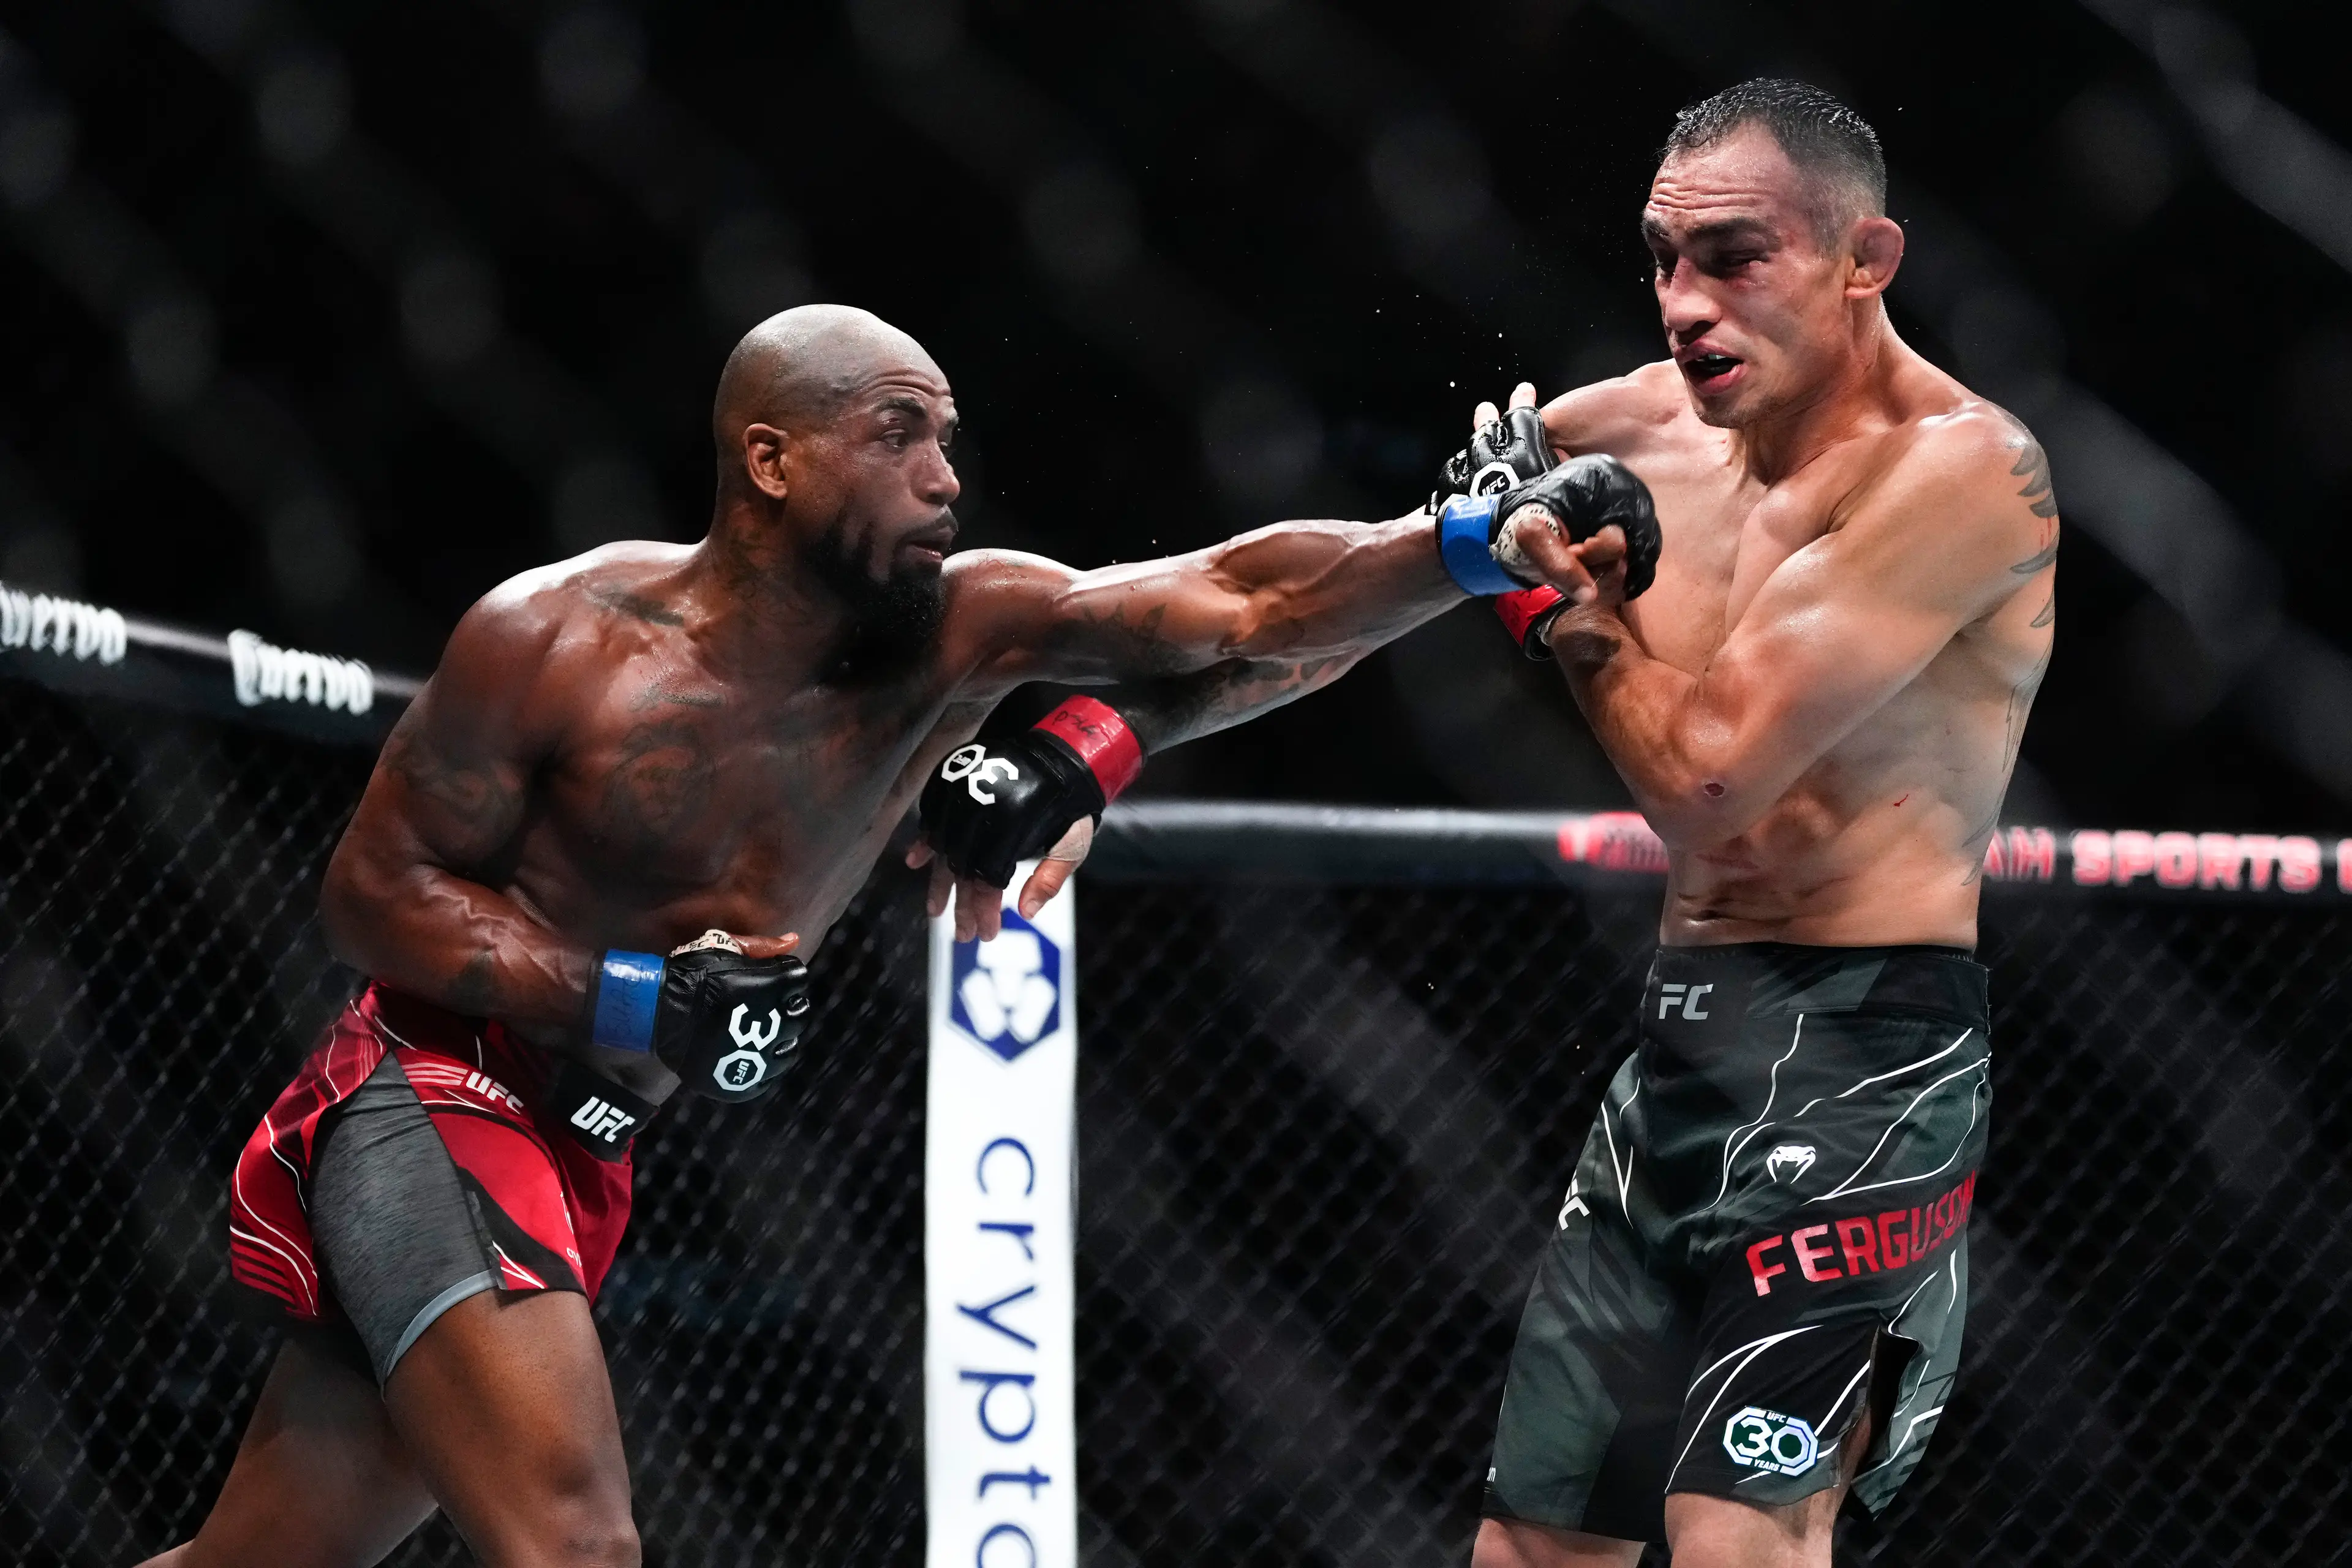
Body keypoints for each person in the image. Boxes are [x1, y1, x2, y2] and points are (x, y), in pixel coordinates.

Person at [150, 302, 1646, 1568]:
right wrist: (631, 994)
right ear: (772, 459)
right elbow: (373, 892)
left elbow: (1238, 609)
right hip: (437, 1098)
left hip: (589, 1145)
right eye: (899, 436)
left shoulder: (953, 633)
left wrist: (1459, 545)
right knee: (576, 1541)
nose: (944, 475)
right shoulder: (557, 639)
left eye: (947, 438)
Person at [1444, 80, 2054, 1568]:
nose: (1681, 301)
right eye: (1661, 258)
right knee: (1532, 1547)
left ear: (1867, 260)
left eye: (1732, 257)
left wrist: (1555, 606)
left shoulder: (1966, 472)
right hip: (1678, 1037)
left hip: (1868, 1050)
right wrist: (1100, 750)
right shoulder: (1614, 435)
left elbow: (1709, 774)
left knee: (1740, 1542)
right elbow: (1316, 596)